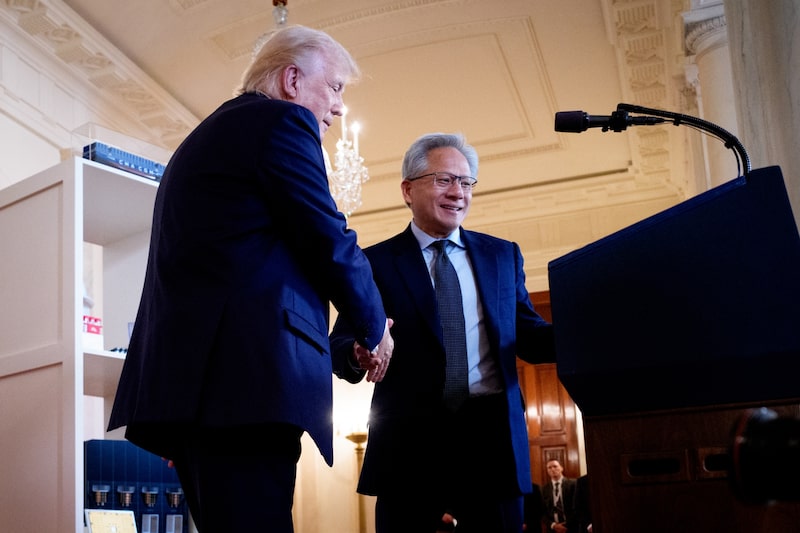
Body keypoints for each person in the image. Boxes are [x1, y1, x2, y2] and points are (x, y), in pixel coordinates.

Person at [107, 24, 394, 533]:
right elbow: (328, 236)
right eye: (334, 88)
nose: (340, 107)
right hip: (242, 393)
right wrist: (374, 326)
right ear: (291, 80)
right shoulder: (280, 123)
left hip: (206, 394)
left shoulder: (218, 132)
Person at [330, 132, 557, 533]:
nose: (458, 192)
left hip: (492, 441)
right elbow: (341, 345)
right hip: (410, 442)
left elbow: (529, 335)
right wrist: (357, 353)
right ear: (407, 189)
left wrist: (589, 330)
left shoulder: (502, 255)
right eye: (444, 180)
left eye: (466, 182)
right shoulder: (374, 263)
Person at [542, 459, 577, 533]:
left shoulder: (573, 484)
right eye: (549, 467)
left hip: (572, 527)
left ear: (561, 468)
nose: (552, 469)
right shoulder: (544, 489)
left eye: (555, 466)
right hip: (553, 529)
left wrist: (566, 524)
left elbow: (578, 507)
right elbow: (542, 511)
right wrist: (553, 525)